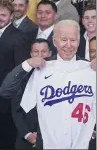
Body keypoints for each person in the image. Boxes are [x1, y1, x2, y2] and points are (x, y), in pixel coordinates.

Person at [20, 20, 96, 149]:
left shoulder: (92, 70)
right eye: (64, 39)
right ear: (55, 42)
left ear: (79, 42)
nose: (68, 45)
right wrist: (27, 64)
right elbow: (18, 101)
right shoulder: (41, 70)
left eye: (73, 40)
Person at [0, 0, 30, 149]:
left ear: (11, 16)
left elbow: (22, 72)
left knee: (5, 140)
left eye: (3, 15)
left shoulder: (19, 37)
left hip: (7, 101)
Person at [11, 39, 52, 149]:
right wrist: (27, 134)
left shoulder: (59, 75)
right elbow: (15, 109)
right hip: (25, 139)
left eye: (43, 52)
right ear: (30, 54)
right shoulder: (22, 75)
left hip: (52, 138)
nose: (39, 55)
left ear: (50, 53)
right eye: (35, 51)